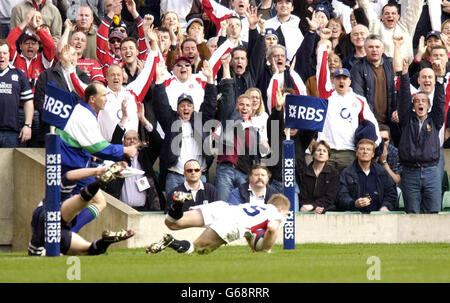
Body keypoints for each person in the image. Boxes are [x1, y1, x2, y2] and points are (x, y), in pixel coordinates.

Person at [28, 164, 135, 256]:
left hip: (49, 229)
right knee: (81, 200)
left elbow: (68, 176)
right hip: (53, 222)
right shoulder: (59, 197)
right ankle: (98, 183)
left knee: (89, 249)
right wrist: (98, 171)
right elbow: (69, 176)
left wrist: (47, 253)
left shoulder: (53, 199)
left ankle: (106, 241)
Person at [146, 193, 290, 254]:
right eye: (286, 213)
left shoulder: (261, 207)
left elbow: (252, 233)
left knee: (173, 224)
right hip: (233, 222)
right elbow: (272, 228)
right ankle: (172, 242)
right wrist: (265, 249)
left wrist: (253, 243)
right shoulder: (277, 213)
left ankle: (177, 204)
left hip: (222, 208)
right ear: (281, 208)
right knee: (197, 251)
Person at [395, 41, 445, 214]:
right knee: (412, 213)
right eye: (417, 101)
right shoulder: (406, 119)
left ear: (428, 105)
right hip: (410, 172)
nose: (420, 103)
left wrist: (439, 79)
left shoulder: (435, 120)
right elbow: (403, 99)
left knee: (433, 212)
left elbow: (440, 102)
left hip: (432, 170)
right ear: (413, 105)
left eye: (424, 101)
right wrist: (404, 73)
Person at [152, 60, 217, 195]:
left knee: (199, 214)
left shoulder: (201, 121)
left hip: (200, 177)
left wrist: (210, 80)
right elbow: (161, 105)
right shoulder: (171, 121)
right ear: (177, 108)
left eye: (189, 105)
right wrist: (158, 80)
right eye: (182, 106)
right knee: (173, 214)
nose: (185, 108)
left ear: (194, 108)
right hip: (175, 176)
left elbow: (210, 104)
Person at [316, 68, 381, 173]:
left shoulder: (359, 100)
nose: (341, 81)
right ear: (333, 81)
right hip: (327, 151)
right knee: (325, 187)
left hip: (349, 152)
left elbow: (372, 123)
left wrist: (375, 143)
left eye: (344, 78)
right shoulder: (326, 98)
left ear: (350, 81)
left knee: (348, 186)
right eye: (338, 78)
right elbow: (320, 71)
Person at [105, 104, 165, 211]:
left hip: (144, 209)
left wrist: (143, 120)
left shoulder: (145, 157)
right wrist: (124, 118)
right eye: (128, 139)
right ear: (123, 142)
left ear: (139, 142)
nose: (132, 141)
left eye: (135, 138)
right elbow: (115, 141)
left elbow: (157, 142)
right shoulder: (119, 157)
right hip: (121, 210)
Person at [336, 139, 397, 213]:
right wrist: (354, 203)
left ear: (373, 154)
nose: (365, 152)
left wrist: (385, 206)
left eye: (368, 149)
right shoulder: (347, 173)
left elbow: (391, 193)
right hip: (353, 214)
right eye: (362, 149)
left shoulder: (381, 172)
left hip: (378, 214)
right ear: (357, 153)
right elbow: (341, 195)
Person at [357, 0, 423, 60]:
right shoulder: (375, 27)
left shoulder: (405, 27)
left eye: (393, 13)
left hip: (405, 69)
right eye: (387, 13)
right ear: (381, 17)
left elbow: (415, 8)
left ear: (398, 17)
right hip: (381, 70)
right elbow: (365, 7)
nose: (390, 16)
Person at [0, 39, 34, 148]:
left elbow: (28, 101)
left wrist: (28, 125)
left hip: (12, 132)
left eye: (4, 53)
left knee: (11, 165)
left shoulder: (18, 74)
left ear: (9, 55)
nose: (1, 56)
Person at [299, 140, 339, 214]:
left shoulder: (333, 173)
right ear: (313, 154)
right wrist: (310, 207)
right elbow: (302, 195)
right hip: (305, 208)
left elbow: (330, 197)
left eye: (324, 151)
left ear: (328, 156)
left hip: (325, 207)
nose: (321, 153)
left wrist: (314, 206)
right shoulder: (303, 172)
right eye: (318, 150)